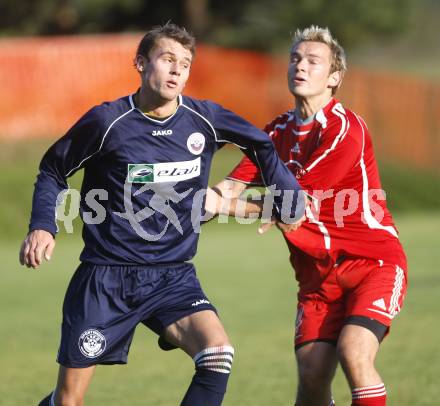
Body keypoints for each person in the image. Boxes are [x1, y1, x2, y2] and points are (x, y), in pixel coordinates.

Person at [19, 23, 304, 406]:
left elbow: (261, 144)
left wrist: (289, 195)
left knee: (217, 352)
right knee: (68, 400)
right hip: (107, 277)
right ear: (140, 63)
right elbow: (53, 169)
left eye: (184, 64)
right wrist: (43, 226)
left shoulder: (203, 119)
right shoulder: (107, 123)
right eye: (167, 59)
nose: (176, 71)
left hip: (173, 274)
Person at [208, 26, 407, 406]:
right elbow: (228, 189)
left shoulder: (346, 130)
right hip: (317, 276)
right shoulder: (275, 134)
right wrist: (179, 201)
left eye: (313, 61)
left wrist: (228, 206)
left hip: (373, 263)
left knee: (354, 352)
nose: (300, 66)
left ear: (334, 78)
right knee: (312, 377)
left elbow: (297, 207)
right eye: (295, 58)